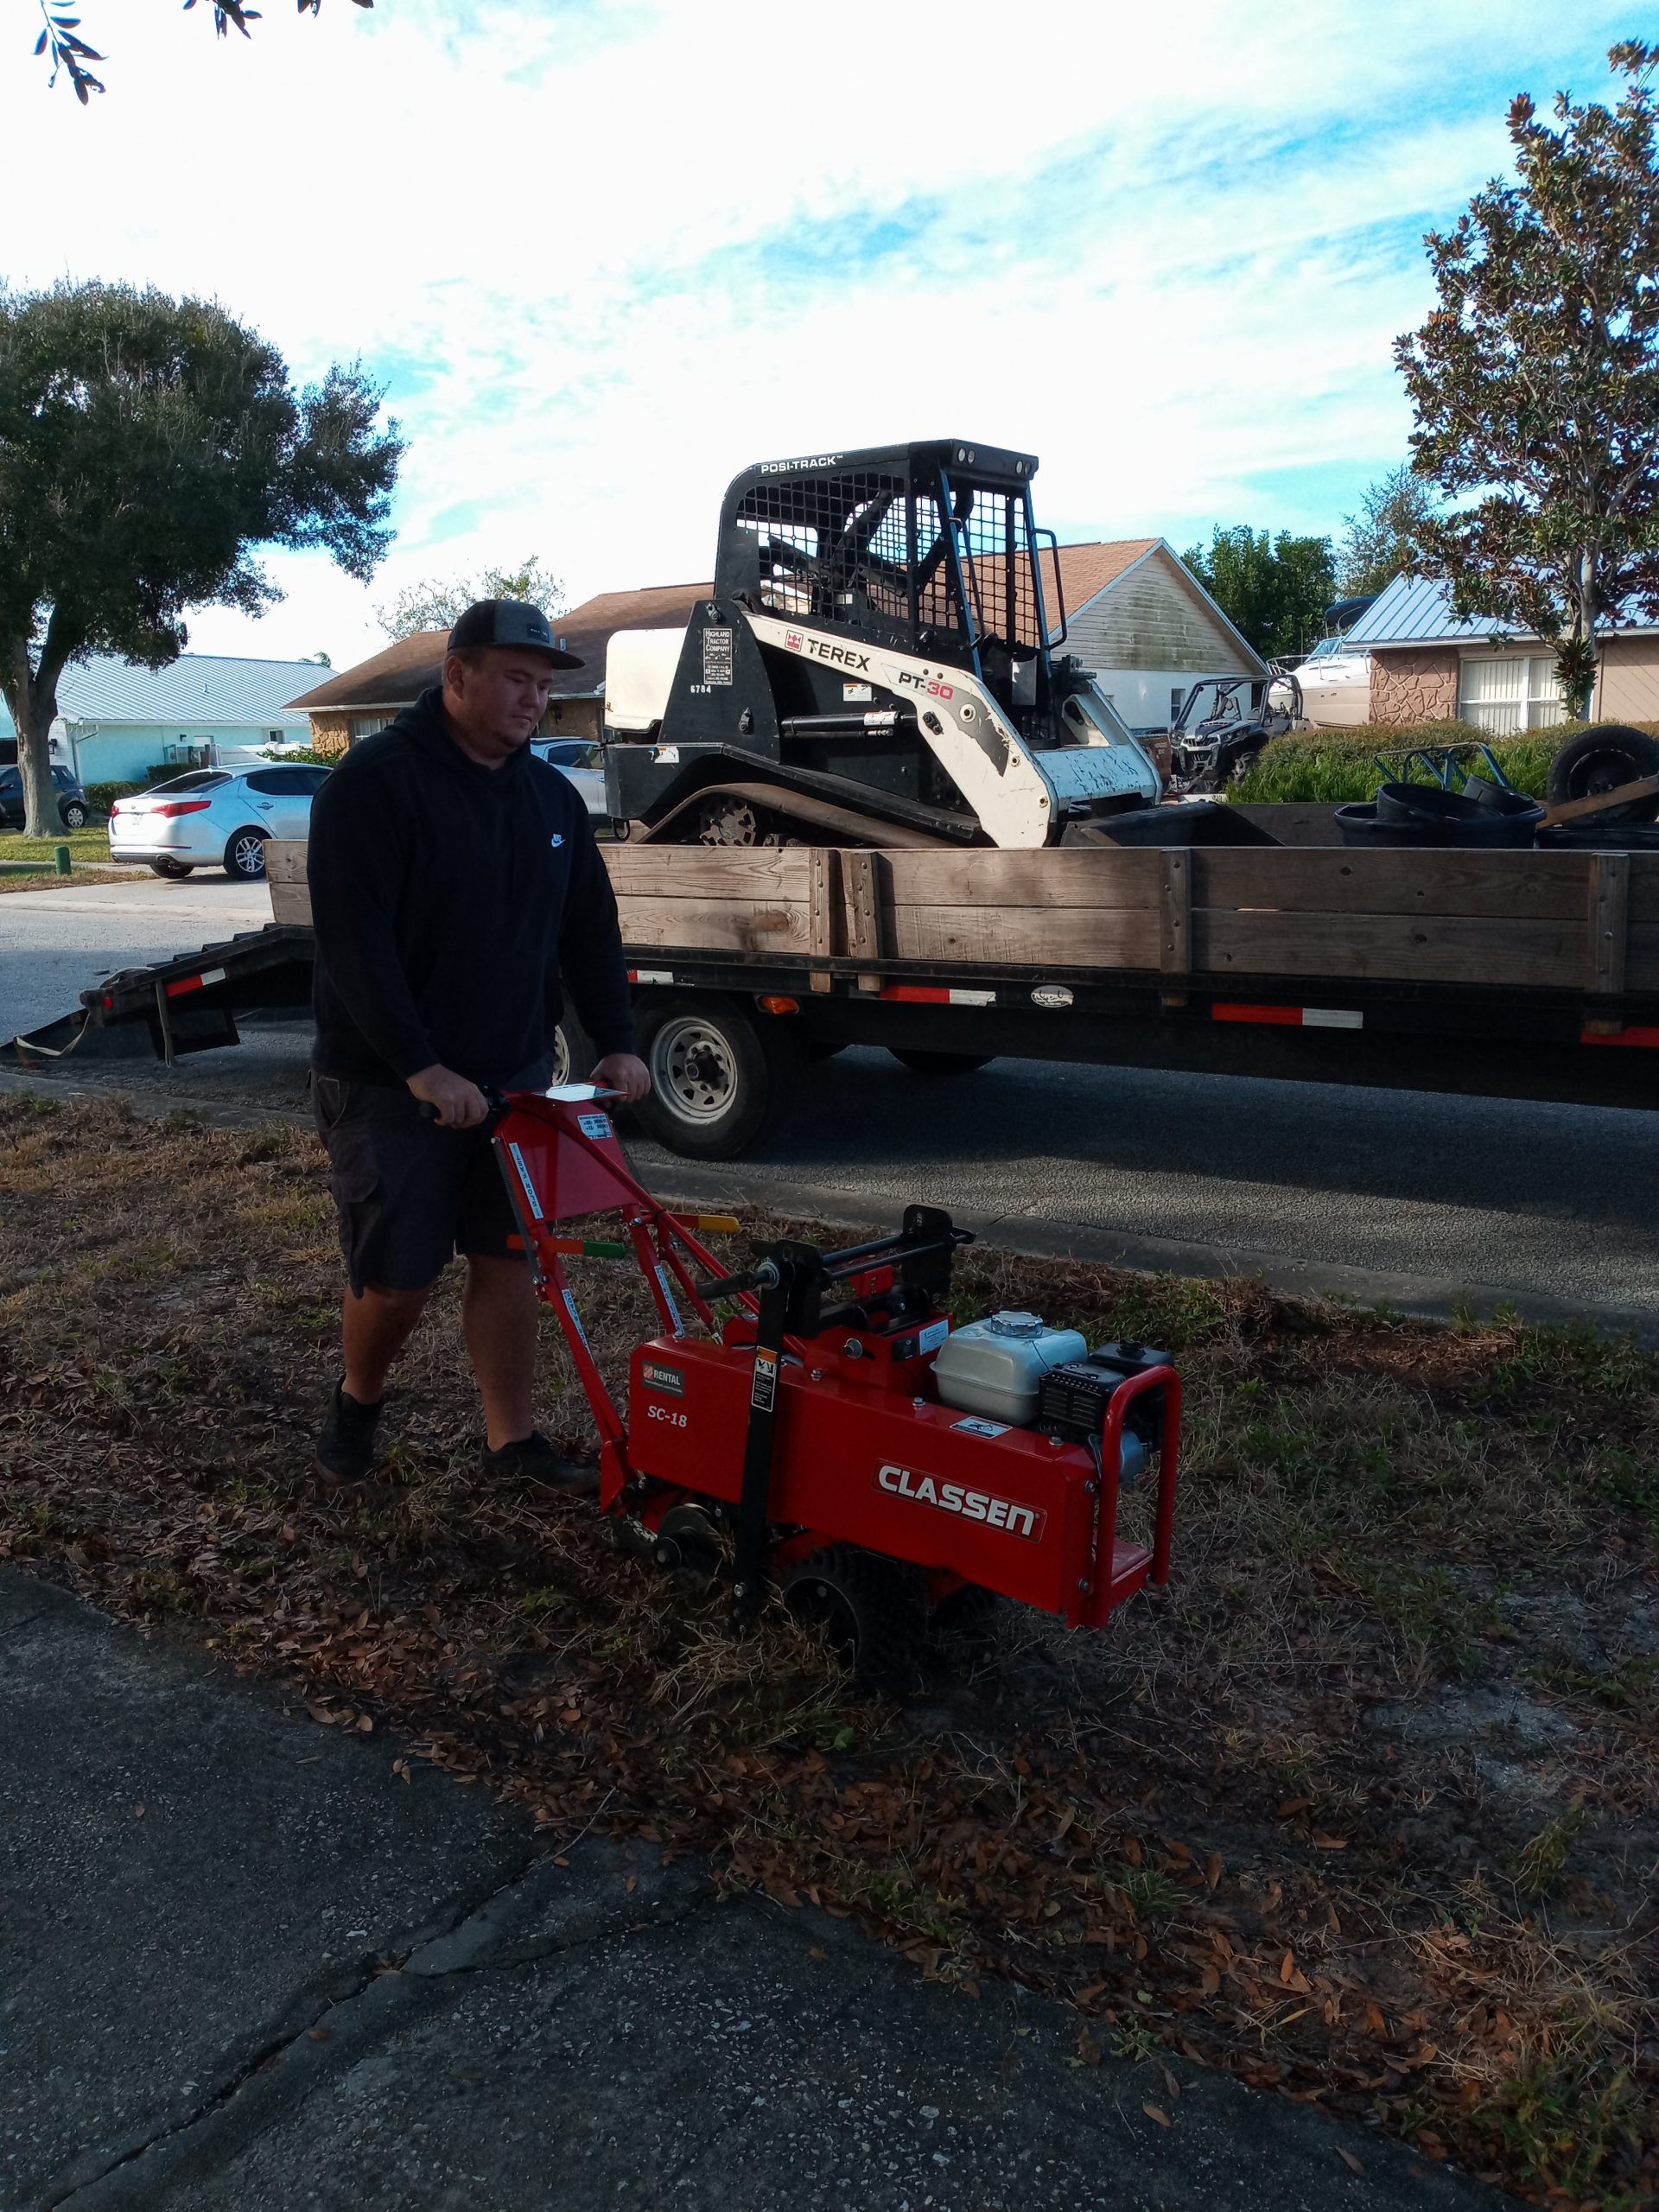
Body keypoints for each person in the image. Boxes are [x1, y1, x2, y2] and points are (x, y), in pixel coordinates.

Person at [306, 599, 650, 1489]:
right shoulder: (375, 785)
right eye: (514, 678)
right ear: (456, 676)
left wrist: (616, 1040)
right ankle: (358, 1399)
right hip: (392, 1080)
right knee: (400, 1275)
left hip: (514, 1078)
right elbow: (356, 943)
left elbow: (589, 930)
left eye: (543, 684)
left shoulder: (550, 799)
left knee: (509, 1257)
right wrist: (419, 1063)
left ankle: (512, 1444)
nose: (533, 699)